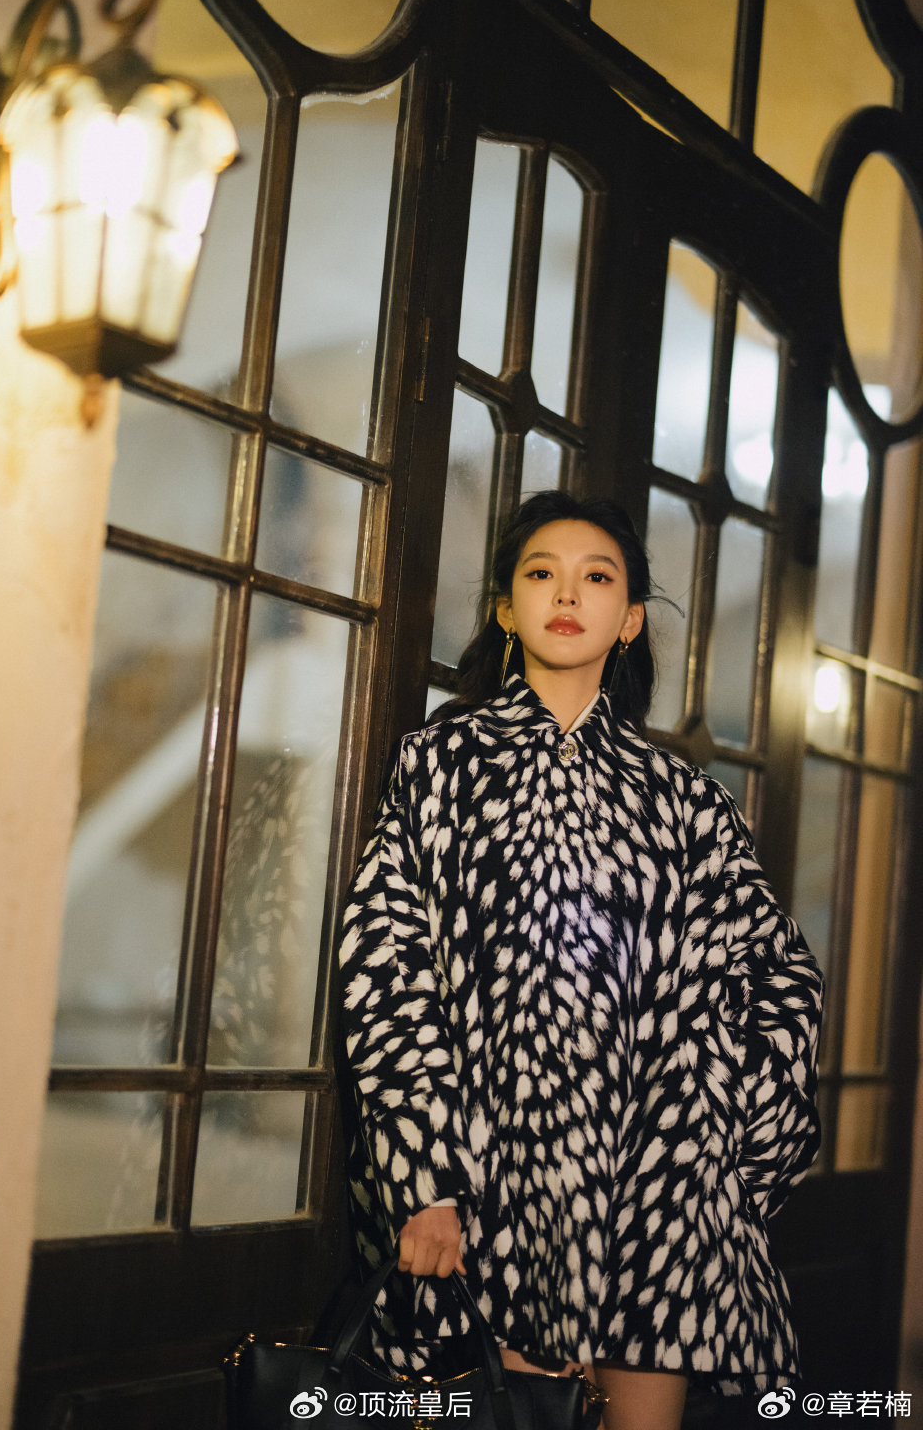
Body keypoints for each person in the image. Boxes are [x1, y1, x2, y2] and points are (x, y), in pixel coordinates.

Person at [337, 491, 824, 1430]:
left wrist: (726, 1160)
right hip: (496, 1193)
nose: (567, 594)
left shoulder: (684, 801)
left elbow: (782, 979)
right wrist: (426, 1177)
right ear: (505, 608)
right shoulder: (441, 767)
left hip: (660, 1207)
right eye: (541, 574)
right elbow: (386, 972)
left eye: (597, 577)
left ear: (629, 618)